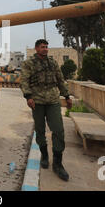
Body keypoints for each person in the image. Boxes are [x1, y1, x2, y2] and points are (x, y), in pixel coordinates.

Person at [20, 39, 73, 181]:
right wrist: (28, 97)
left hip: (53, 100)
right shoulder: (29, 63)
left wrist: (67, 96)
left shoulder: (53, 63)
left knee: (58, 130)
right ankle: (44, 155)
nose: (45, 49)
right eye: (42, 47)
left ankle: (58, 163)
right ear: (36, 48)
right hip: (37, 101)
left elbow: (60, 80)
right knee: (40, 130)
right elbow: (24, 80)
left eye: (47, 47)